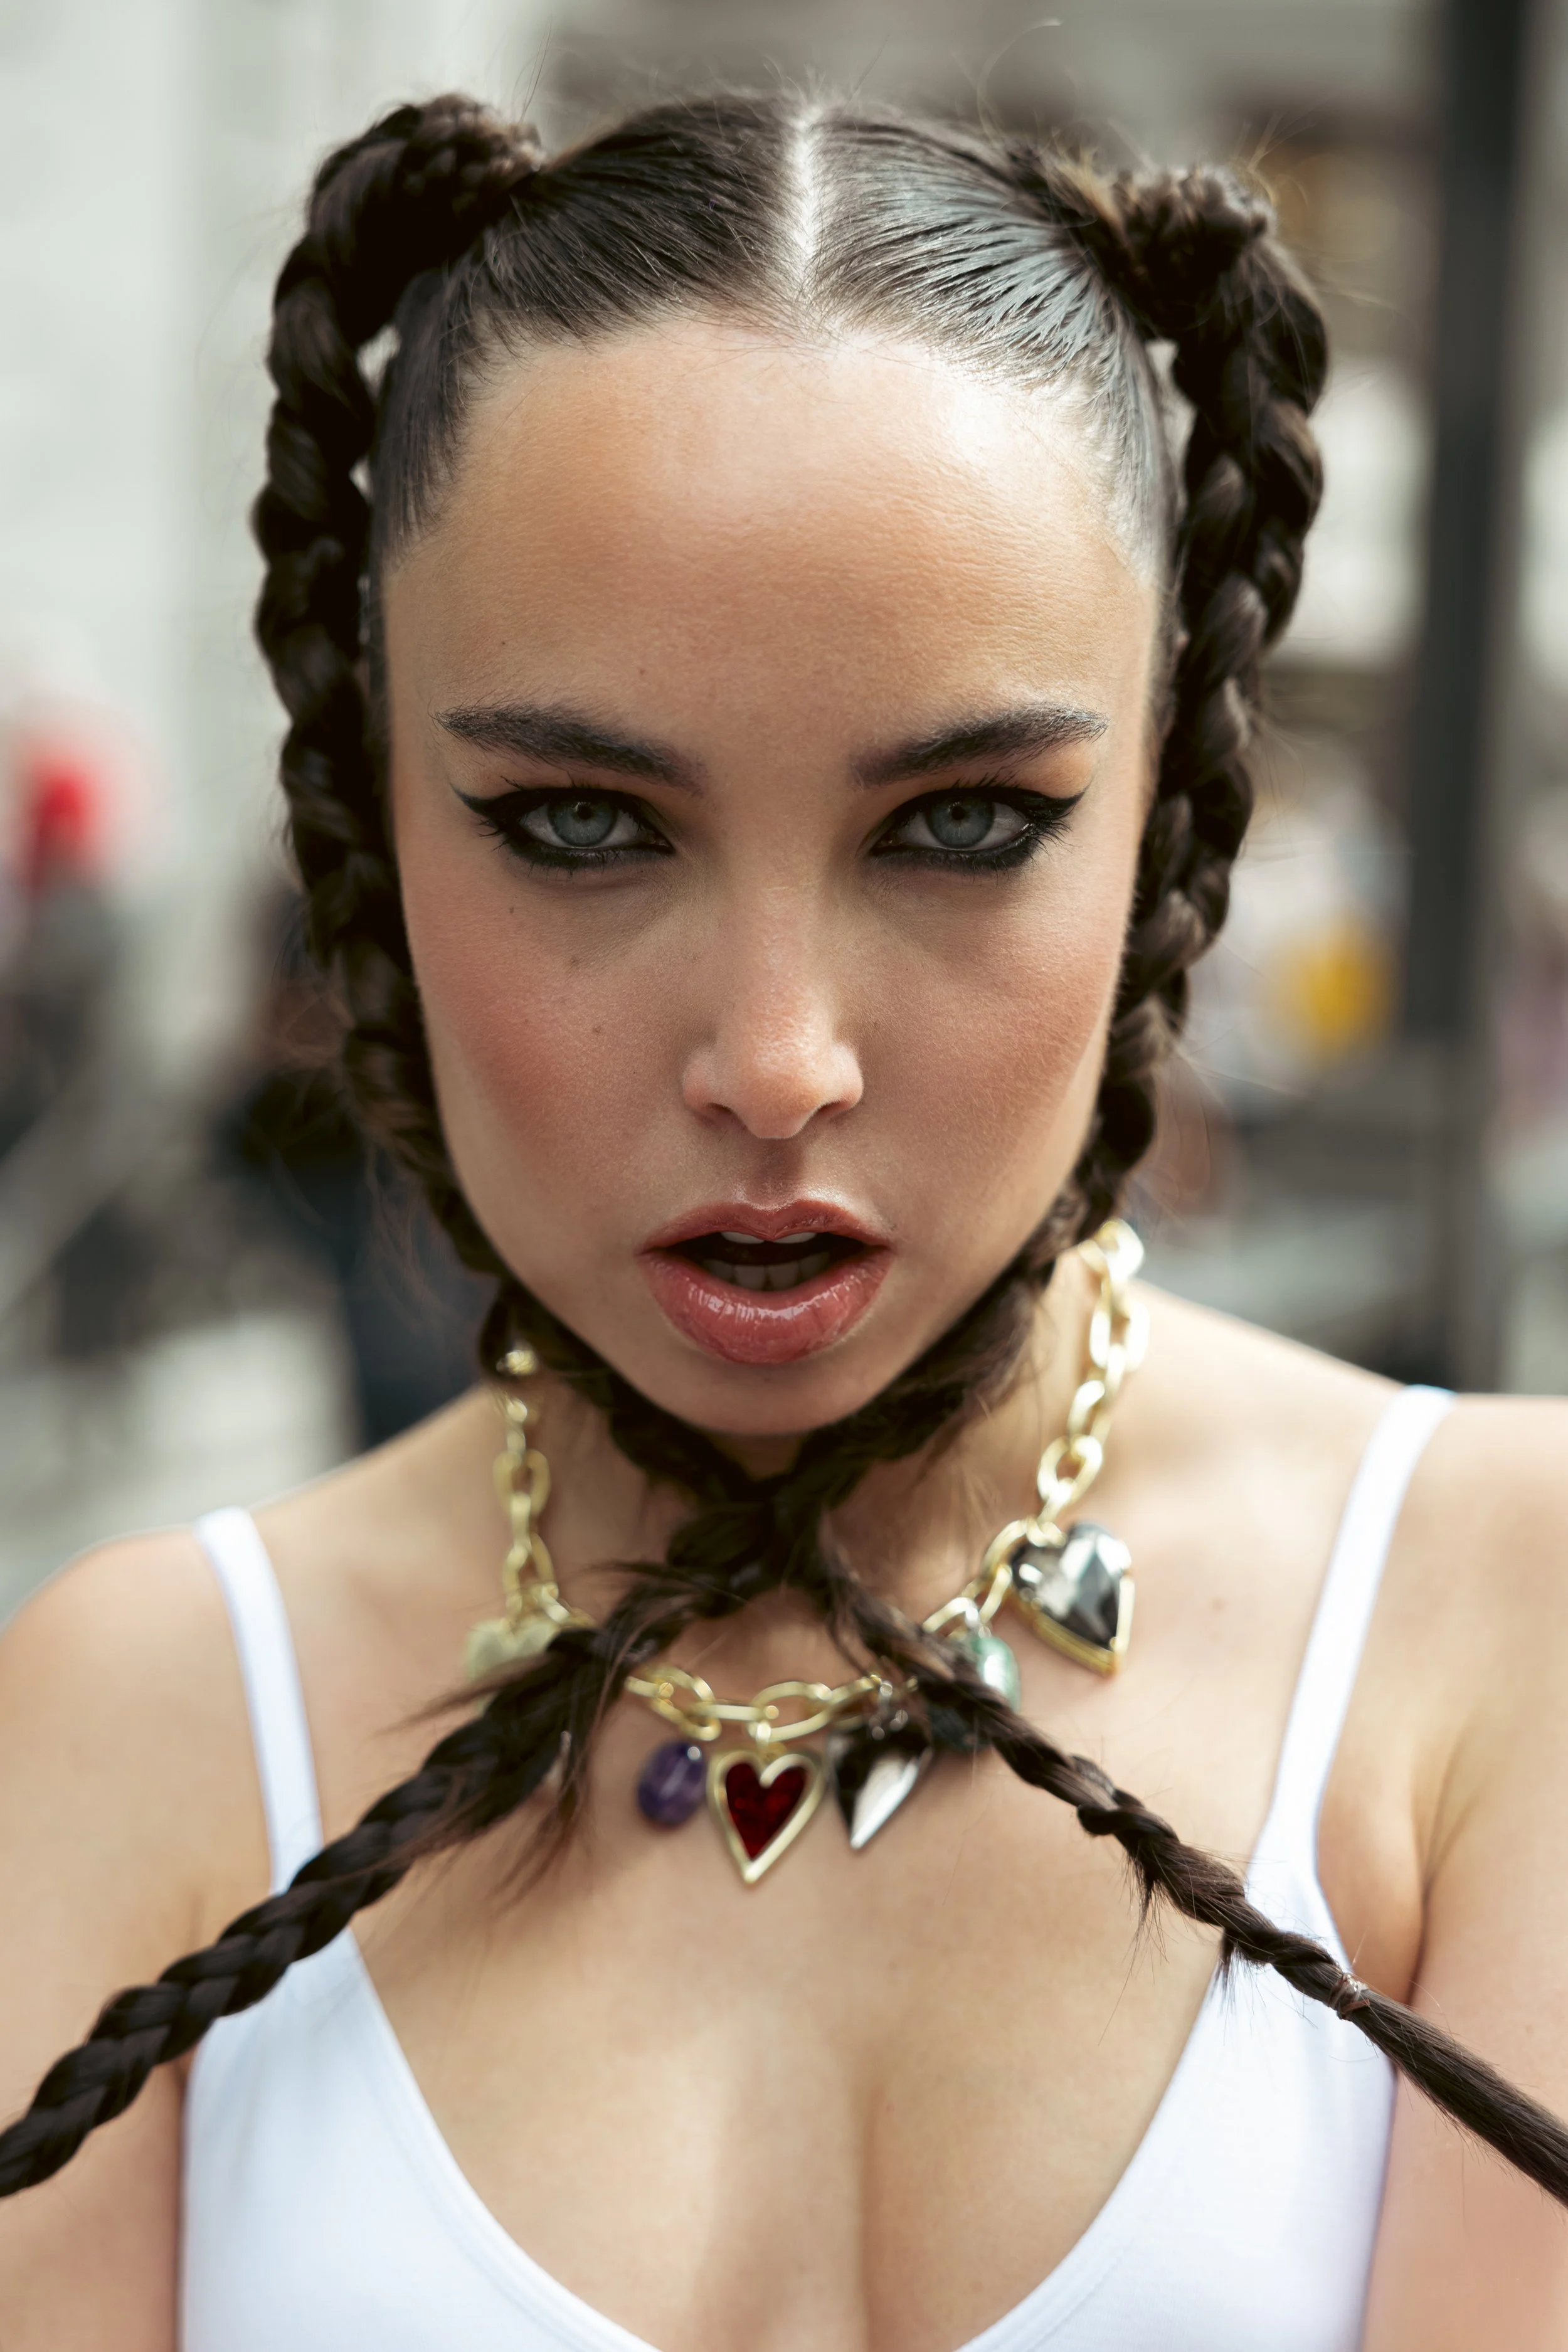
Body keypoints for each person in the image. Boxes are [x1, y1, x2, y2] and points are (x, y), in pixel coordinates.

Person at [1, 90, 1565, 2352]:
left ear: (1163, 814)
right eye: (573, 823)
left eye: (957, 823)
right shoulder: (136, 1718)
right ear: (366, 800)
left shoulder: (1496, 1631)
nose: (773, 1057)